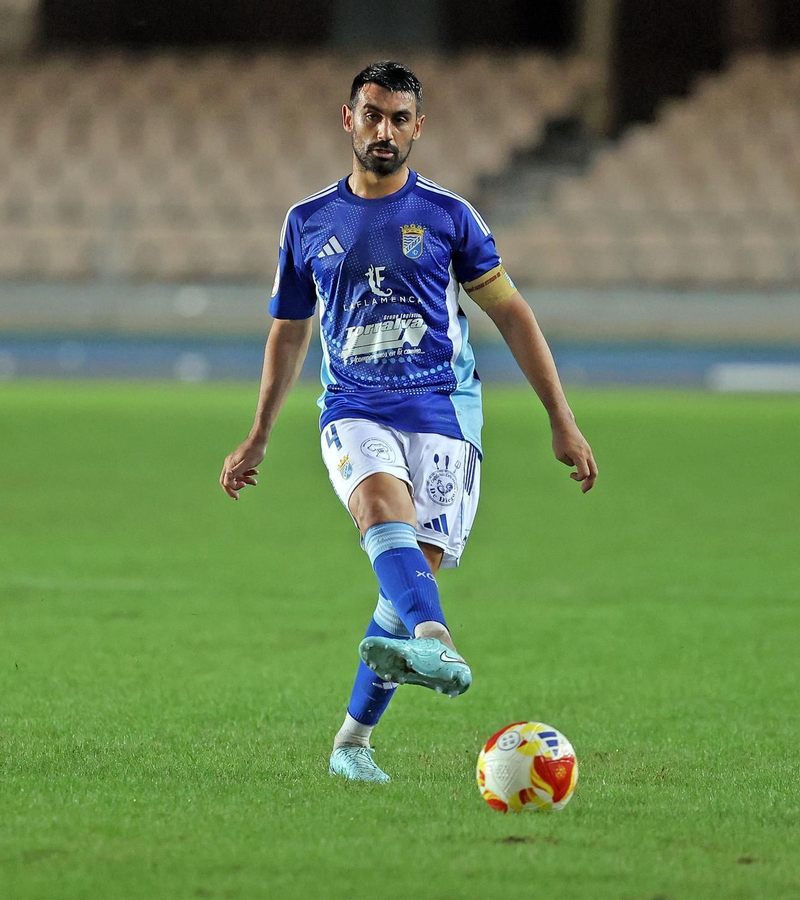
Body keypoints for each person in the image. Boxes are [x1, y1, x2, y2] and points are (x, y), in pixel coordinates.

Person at [217, 61, 599, 784]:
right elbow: (288, 331)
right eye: (372, 116)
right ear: (348, 119)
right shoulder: (307, 224)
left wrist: (562, 418)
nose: (383, 131)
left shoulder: (452, 218)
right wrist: (259, 433)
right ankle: (439, 641)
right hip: (354, 408)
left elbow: (511, 313)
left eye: (398, 119)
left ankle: (352, 741)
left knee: (404, 583)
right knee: (378, 513)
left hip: (444, 414)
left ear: (418, 127)